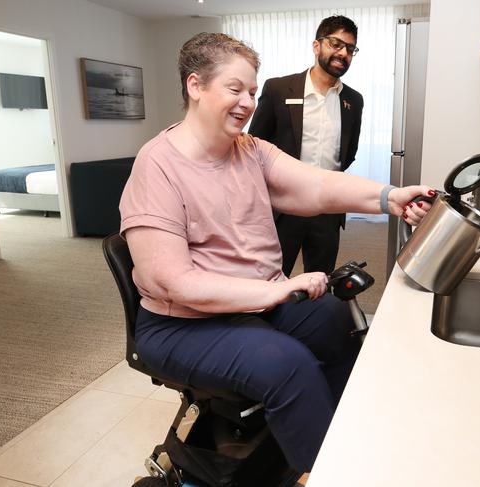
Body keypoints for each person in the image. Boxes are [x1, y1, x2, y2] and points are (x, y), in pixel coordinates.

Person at [119, 32, 433, 474]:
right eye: (235, 89)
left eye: (251, 90)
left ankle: (346, 437)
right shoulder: (157, 168)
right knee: (287, 364)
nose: (247, 102)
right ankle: (324, 472)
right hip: (179, 323)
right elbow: (176, 282)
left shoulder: (249, 150)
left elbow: (317, 185)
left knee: (333, 318)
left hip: (246, 303)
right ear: (195, 86)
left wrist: (390, 196)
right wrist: (277, 292)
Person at [248, 15, 363, 277]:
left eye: (350, 49)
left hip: (328, 208)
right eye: (336, 44)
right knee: (271, 278)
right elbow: (254, 146)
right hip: (283, 206)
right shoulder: (279, 89)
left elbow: (349, 152)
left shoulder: (354, 100)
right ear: (316, 45)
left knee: (321, 280)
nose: (343, 53)